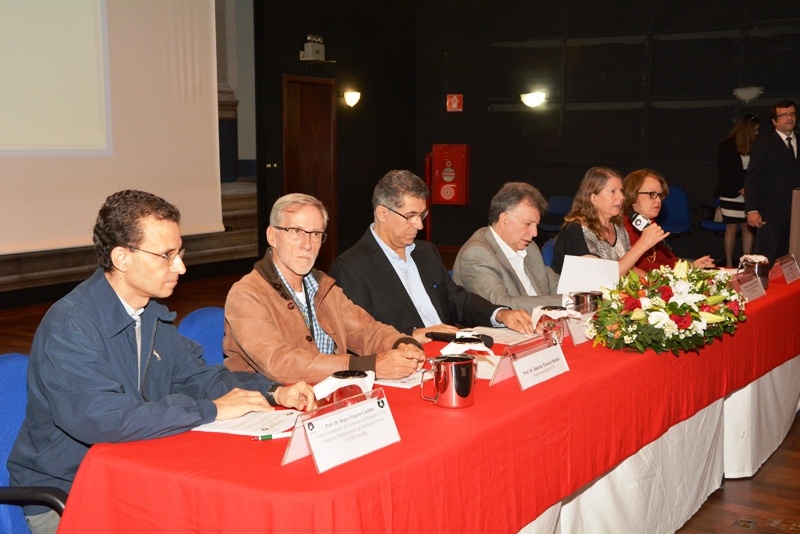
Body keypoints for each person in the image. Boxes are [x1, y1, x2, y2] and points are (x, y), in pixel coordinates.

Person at [7, 190, 316, 534]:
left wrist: (273, 392)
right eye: (166, 256)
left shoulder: (150, 315)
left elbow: (202, 378)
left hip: (134, 477)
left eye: (179, 253)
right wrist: (211, 410)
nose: (180, 267)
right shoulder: (70, 326)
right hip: (71, 494)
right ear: (122, 258)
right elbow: (106, 420)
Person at [223, 193, 425, 385]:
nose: (308, 245)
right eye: (296, 232)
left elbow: (367, 331)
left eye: (316, 234)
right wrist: (369, 366)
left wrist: (403, 344)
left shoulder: (323, 288)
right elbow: (279, 363)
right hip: (270, 407)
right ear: (272, 236)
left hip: (330, 399)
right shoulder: (247, 294)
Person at [329, 170, 533, 345]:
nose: (419, 225)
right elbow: (361, 334)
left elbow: (456, 300)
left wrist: (500, 314)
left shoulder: (425, 252)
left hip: (451, 351)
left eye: (422, 215)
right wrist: (415, 334)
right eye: (410, 216)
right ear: (382, 213)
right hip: (406, 359)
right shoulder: (351, 267)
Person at [453, 182, 563, 310]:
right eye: (527, 224)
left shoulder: (529, 247)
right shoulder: (477, 254)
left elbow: (553, 283)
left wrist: (586, 294)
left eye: (536, 225)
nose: (535, 233)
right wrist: (566, 301)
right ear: (504, 220)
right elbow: (502, 305)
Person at [551, 166, 669, 276]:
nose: (621, 197)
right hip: (573, 296)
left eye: (621, 190)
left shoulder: (618, 227)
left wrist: (660, 284)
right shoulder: (575, 230)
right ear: (593, 198)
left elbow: (631, 269)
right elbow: (603, 278)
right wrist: (643, 244)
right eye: (613, 191)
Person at [622, 169, 715, 271]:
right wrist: (685, 269)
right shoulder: (623, 226)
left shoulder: (648, 221)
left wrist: (691, 266)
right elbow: (642, 268)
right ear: (633, 195)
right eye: (652, 194)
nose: (658, 200)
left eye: (660, 195)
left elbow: (667, 260)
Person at [745, 99, 800, 263]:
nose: (789, 118)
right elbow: (752, 179)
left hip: (796, 213)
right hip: (770, 213)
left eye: (792, 114)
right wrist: (752, 209)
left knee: (791, 262)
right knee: (767, 261)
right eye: (783, 115)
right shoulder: (763, 145)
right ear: (774, 121)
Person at [715, 115, 760, 267]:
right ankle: (728, 263)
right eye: (755, 129)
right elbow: (724, 171)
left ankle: (746, 263)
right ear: (747, 129)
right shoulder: (726, 145)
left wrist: (749, 188)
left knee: (748, 228)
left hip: (750, 194)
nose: (757, 133)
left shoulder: (758, 146)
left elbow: (758, 170)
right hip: (730, 193)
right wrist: (740, 188)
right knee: (731, 229)